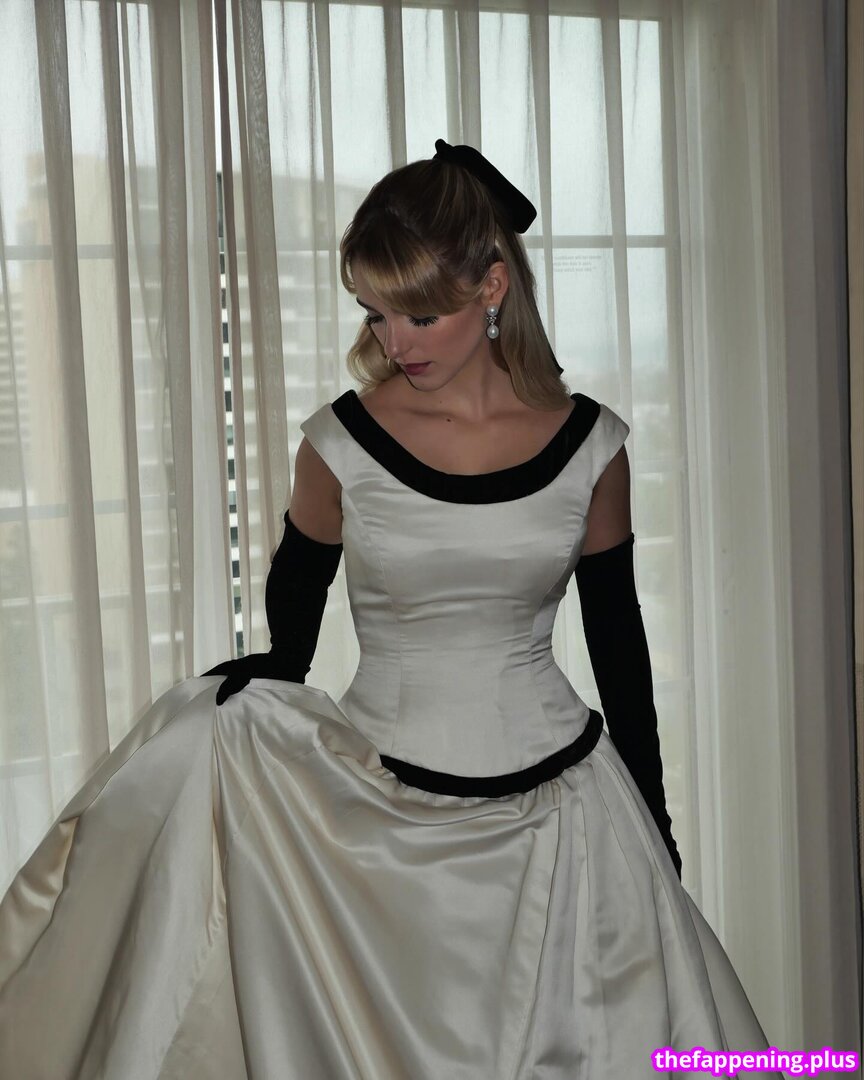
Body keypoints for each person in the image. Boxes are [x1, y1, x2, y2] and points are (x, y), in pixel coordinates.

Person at [0, 139, 780, 1079]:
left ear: (492, 287)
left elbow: (620, 640)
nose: (395, 343)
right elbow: (295, 611)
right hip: (374, 827)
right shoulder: (339, 442)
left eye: (419, 314)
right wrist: (256, 690)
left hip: (570, 825)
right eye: (375, 312)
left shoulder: (592, 446)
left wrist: (654, 815)